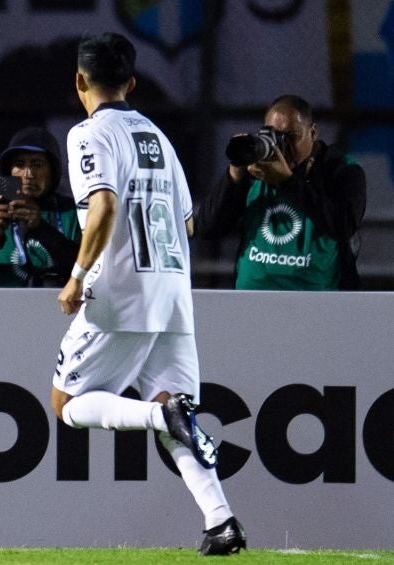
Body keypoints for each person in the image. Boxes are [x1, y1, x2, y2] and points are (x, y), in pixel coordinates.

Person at [52, 33, 246, 555]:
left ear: (79, 81)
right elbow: (186, 224)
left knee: (67, 404)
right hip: (173, 291)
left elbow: (104, 205)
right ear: (132, 83)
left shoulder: (87, 134)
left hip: (120, 292)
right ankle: (221, 521)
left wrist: (76, 274)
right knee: (174, 407)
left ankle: (160, 417)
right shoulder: (158, 136)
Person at [194, 95, 367, 290]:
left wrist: (287, 182)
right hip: (252, 300)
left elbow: (344, 224)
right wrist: (234, 174)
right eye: (273, 136)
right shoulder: (255, 169)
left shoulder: (341, 170)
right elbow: (207, 227)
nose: (282, 146)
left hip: (318, 302)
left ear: (313, 132)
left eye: (291, 137)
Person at [0, 127, 80, 287]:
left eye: (37, 164)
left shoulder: (73, 214)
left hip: (55, 308)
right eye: (20, 164)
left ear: (53, 171)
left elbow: (88, 270)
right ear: (9, 171)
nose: (28, 174)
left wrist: (42, 229)